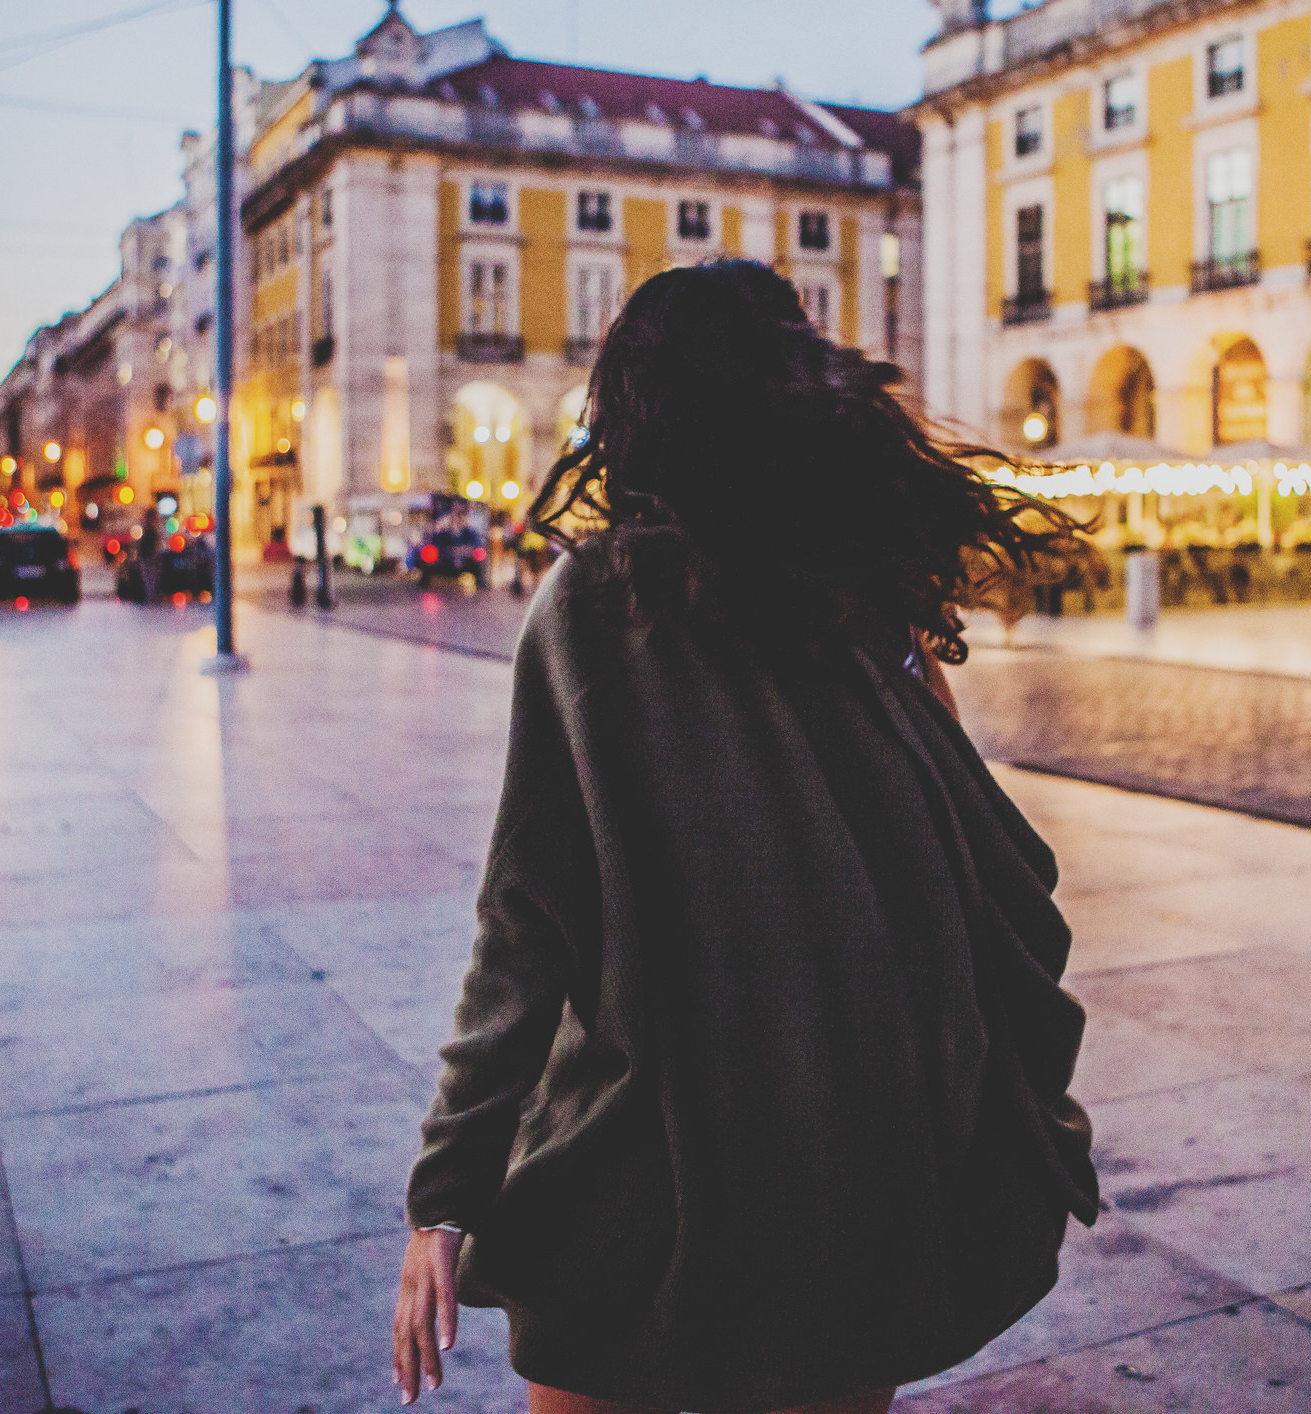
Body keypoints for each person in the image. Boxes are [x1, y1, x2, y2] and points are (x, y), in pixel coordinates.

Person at [391, 261, 1100, 1414]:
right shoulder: (864, 605)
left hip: (642, 1168)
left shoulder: (591, 607)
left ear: (631, 408)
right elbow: (994, 870)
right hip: (856, 1168)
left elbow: (525, 922)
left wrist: (448, 1194)